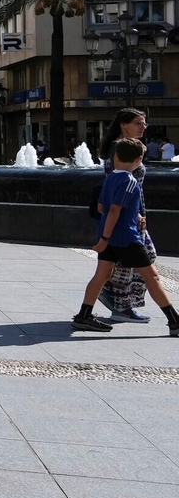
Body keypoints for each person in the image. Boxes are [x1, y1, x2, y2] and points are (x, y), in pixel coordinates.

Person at [75, 137, 179, 335]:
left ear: (116, 156)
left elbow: (102, 208)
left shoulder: (109, 179)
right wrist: (107, 237)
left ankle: (84, 315)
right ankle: (175, 321)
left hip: (109, 236)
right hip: (126, 238)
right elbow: (115, 210)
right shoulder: (130, 181)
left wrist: (107, 235)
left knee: (101, 275)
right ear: (139, 159)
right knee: (152, 277)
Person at [97, 108, 154, 322]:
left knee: (134, 261)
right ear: (123, 124)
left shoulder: (126, 146)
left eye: (144, 123)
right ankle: (120, 305)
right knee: (131, 262)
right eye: (138, 123)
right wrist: (134, 214)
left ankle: (117, 300)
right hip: (127, 216)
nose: (143, 127)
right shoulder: (118, 149)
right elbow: (116, 184)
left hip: (132, 213)